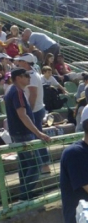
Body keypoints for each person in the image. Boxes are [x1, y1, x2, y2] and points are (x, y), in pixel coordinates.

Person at [4, 67, 51, 200]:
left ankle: (26, 193)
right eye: (26, 76)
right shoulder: (17, 91)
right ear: (18, 78)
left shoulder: (12, 90)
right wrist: (39, 134)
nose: (29, 78)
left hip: (18, 133)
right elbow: (23, 115)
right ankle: (25, 193)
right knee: (36, 164)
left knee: (25, 164)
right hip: (23, 133)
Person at [14, 53, 51, 174]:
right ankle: (44, 165)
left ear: (25, 63)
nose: (18, 63)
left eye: (20, 61)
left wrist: (28, 113)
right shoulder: (33, 74)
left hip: (34, 111)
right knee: (38, 136)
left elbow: (33, 95)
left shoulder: (32, 76)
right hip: (37, 109)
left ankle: (45, 165)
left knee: (38, 137)